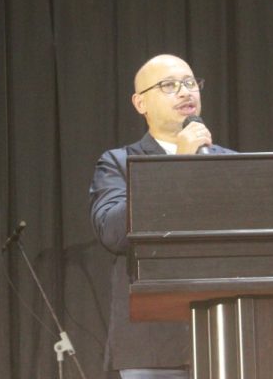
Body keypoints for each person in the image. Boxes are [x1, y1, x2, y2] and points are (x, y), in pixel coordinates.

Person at [89, 54, 233, 379]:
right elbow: (113, 233)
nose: (185, 92)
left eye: (190, 83)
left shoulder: (230, 162)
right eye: (169, 85)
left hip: (229, 331)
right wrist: (177, 165)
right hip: (153, 344)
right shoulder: (119, 163)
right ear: (140, 103)